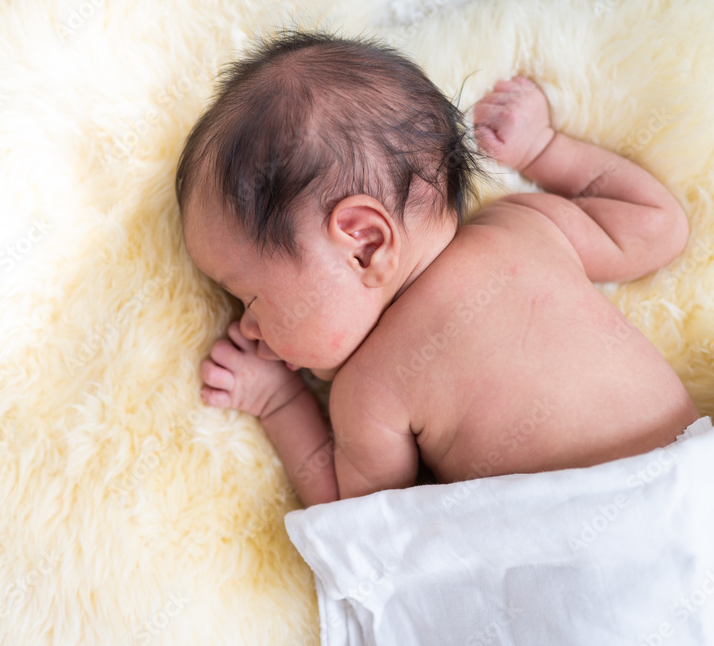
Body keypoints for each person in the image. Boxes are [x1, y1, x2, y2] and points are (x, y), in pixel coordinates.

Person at [174, 30, 701, 507]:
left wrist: (280, 402)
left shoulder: (369, 390)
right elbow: (656, 226)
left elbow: (362, 530)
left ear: (363, 244)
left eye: (250, 297)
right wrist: (544, 149)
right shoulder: (523, 227)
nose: (245, 325)